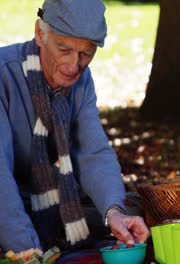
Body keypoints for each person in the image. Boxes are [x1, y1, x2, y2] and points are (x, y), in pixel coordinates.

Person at [0, 0, 149, 253]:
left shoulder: (80, 81)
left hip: (31, 192)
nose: (73, 66)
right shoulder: (5, 73)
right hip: (6, 192)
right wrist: (27, 252)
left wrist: (114, 213)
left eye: (86, 54)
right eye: (63, 49)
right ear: (39, 34)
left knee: (132, 208)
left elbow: (92, 152)